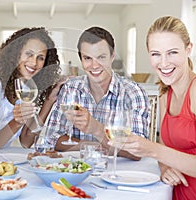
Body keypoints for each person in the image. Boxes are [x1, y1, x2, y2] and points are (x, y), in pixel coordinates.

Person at [120, 16, 196, 199]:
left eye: (172, 52)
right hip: (175, 195)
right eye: (156, 54)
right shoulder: (164, 94)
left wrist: (152, 150)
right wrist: (165, 167)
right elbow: (165, 148)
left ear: (188, 49)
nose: (164, 63)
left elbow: (159, 150)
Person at [47, 26, 149, 160]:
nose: (94, 66)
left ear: (112, 56)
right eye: (88, 58)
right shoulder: (70, 89)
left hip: (119, 172)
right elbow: (52, 138)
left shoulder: (133, 93)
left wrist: (95, 128)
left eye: (101, 57)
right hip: (77, 171)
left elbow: (137, 152)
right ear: (81, 60)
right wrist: (94, 146)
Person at [0, 27, 64, 152]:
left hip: (1, 162)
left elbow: (26, 141)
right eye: (29, 54)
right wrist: (17, 121)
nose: (34, 63)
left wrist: (49, 101)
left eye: (40, 58)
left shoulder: (27, 87)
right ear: (16, 53)